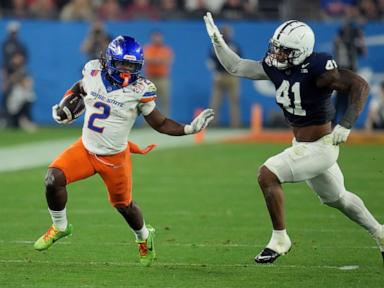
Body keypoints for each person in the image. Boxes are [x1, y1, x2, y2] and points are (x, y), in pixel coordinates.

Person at [204, 12, 384, 264]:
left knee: (267, 174)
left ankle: (280, 238)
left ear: (301, 51)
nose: (277, 54)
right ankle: (380, 232)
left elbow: (360, 85)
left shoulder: (319, 68)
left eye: (284, 50)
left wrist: (347, 123)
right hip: (302, 145)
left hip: (321, 147)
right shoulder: (276, 67)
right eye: (276, 48)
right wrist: (216, 38)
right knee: (338, 198)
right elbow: (236, 66)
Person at [33, 35, 214, 267]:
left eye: (132, 66)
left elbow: (159, 123)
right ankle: (60, 226)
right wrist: (65, 104)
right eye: (122, 64)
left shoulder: (141, 89)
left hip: (114, 157)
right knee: (52, 179)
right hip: (86, 149)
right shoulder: (93, 70)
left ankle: (144, 237)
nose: (127, 71)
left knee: (124, 206)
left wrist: (190, 128)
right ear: (109, 61)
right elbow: (80, 88)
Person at [332, 20, 366, 125]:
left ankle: (343, 123)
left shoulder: (349, 43)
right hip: (343, 73)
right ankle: (336, 122)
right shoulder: (342, 43)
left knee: (346, 100)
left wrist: (360, 38)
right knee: (341, 100)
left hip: (347, 73)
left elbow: (362, 52)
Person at [208, 25, 241, 128]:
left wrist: (236, 73)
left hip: (231, 75)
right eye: (225, 33)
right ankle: (213, 123)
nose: (226, 35)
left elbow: (240, 61)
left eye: (227, 32)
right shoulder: (216, 46)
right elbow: (210, 61)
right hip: (220, 75)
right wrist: (215, 72)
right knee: (215, 101)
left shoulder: (234, 46)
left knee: (234, 101)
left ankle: (235, 124)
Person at [143, 31, 174, 116]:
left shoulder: (166, 49)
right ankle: (147, 123)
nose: (157, 39)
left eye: (158, 37)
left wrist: (155, 60)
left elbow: (168, 61)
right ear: (151, 39)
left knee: (165, 101)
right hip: (150, 78)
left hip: (163, 78)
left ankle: (165, 121)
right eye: (155, 37)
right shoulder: (147, 48)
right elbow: (146, 59)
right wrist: (157, 60)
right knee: (147, 101)